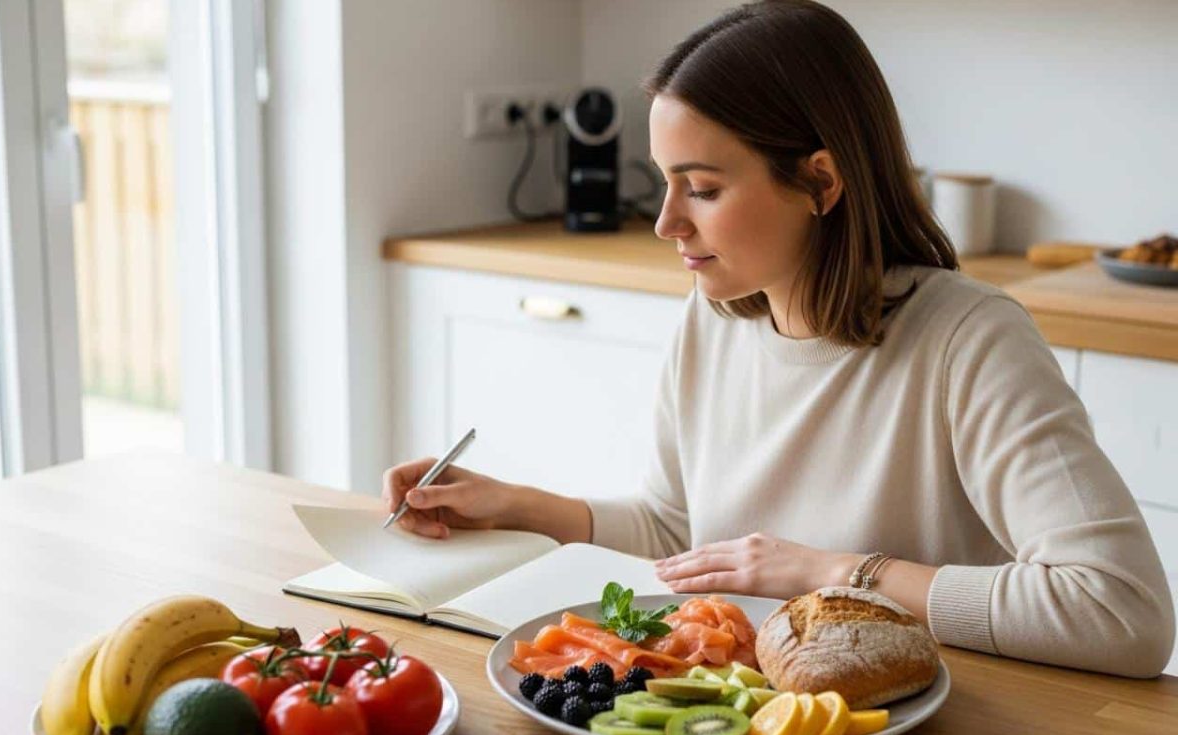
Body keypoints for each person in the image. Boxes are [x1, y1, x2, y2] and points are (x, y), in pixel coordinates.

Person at [382, 0, 1174, 678]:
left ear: (821, 183)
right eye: (664, 183)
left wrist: (838, 575)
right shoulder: (714, 317)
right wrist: (518, 507)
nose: (666, 223)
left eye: (703, 189)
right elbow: (680, 535)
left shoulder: (970, 340)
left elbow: (1123, 610)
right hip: (760, 720)